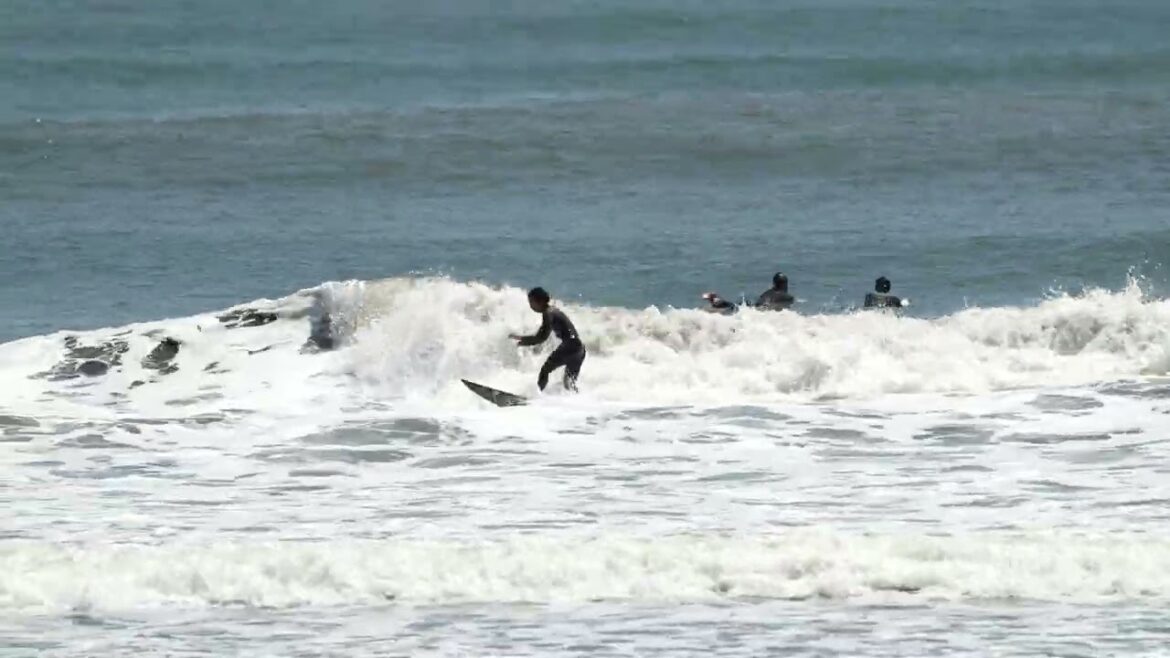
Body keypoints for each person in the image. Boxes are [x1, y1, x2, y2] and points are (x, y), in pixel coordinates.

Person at [509, 287, 586, 392]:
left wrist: (522, 340)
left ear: (539, 301)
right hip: (579, 349)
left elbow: (541, 337)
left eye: (531, 302)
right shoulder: (553, 311)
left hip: (570, 346)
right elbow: (541, 335)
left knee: (545, 371)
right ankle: (578, 400)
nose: (530, 306)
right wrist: (525, 340)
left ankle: (537, 397)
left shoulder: (548, 313)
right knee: (569, 383)